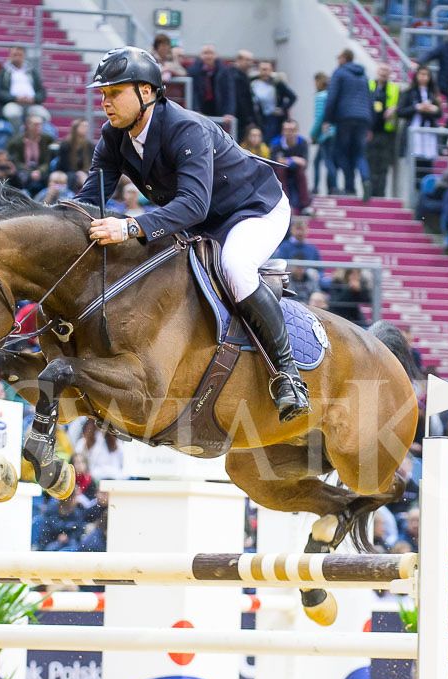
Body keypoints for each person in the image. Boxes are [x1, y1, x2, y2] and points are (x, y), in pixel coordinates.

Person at [76, 47, 308, 421]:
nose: (105, 102)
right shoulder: (114, 136)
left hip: (252, 209)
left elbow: (194, 204)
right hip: (200, 221)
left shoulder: (186, 129)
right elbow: (90, 199)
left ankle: (288, 375)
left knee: (235, 266)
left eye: (114, 92)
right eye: (103, 94)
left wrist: (130, 226)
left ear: (146, 92)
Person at [323, 49, 372, 200]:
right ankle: (365, 179)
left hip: (345, 117)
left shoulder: (339, 73)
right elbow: (369, 99)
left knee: (342, 152)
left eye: (338, 57)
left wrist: (327, 119)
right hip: (363, 118)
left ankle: (349, 187)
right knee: (359, 153)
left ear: (344, 58)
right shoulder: (363, 75)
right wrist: (369, 124)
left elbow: (332, 97)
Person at [398, 66, 441, 184]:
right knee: (414, 164)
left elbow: (439, 113)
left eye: (426, 75)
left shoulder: (433, 94)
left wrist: (433, 109)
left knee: (427, 165)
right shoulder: (408, 92)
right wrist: (417, 107)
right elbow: (400, 111)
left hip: (428, 133)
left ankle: (425, 190)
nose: (424, 77)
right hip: (414, 131)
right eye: (421, 74)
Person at [0, 45, 47, 129]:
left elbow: (42, 92)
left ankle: (33, 136)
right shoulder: (3, 72)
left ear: (24, 56)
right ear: (10, 56)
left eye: (19, 55)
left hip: (32, 104)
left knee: (43, 115)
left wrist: (34, 99)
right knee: (12, 114)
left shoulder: (32, 72)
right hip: (12, 103)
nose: (17, 57)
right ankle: (18, 135)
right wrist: (15, 98)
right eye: (15, 55)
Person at [367, 64, 400, 198]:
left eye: (387, 70)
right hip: (370, 132)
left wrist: (394, 109)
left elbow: (401, 104)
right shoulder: (369, 85)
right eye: (382, 69)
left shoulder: (394, 88)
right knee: (370, 163)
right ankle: (369, 193)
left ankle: (380, 194)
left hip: (387, 133)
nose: (384, 73)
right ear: (377, 71)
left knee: (383, 165)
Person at [251, 60, 295, 142]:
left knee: (271, 140)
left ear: (271, 70)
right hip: (259, 117)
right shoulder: (254, 83)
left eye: (267, 69)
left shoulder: (277, 83)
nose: (265, 72)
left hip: (273, 118)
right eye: (263, 69)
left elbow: (293, 97)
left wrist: (282, 109)